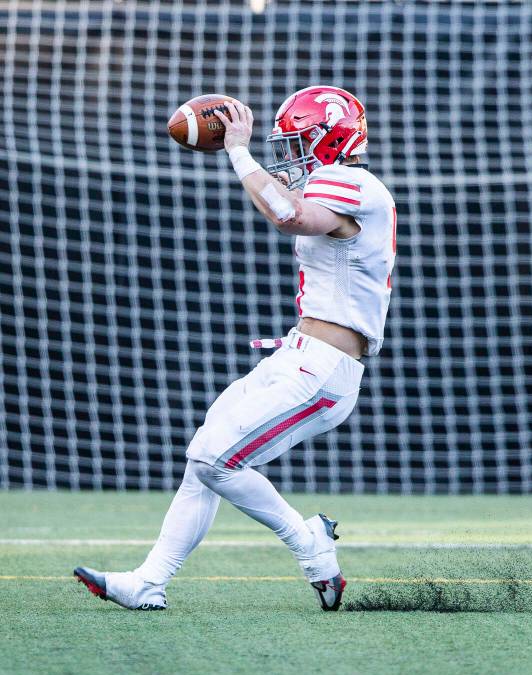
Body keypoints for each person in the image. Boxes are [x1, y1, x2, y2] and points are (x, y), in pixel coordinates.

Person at [74, 86, 397, 612]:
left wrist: (238, 151)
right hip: (299, 354)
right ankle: (148, 582)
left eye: (297, 144)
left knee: (215, 458)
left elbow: (289, 216)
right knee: (201, 457)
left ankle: (309, 542)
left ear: (331, 139)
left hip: (324, 368)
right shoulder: (336, 183)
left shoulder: (354, 182)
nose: (289, 156)